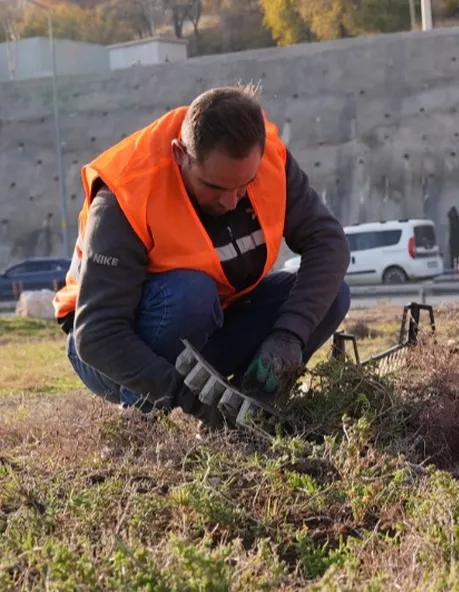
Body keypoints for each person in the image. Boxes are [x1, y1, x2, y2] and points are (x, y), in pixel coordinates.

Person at [53, 85, 351, 425]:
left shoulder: (270, 158)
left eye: (244, 184)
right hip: (113, 354)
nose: (230, 201)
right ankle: (144, 420)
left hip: (212, 327)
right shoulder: (127, 192)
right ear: (181, 154)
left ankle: (248, 415)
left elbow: (328, 243)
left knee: (332, 295)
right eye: (214, 186)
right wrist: (188, 397)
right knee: (190, 294)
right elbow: (98, 335)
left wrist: (289, 336)